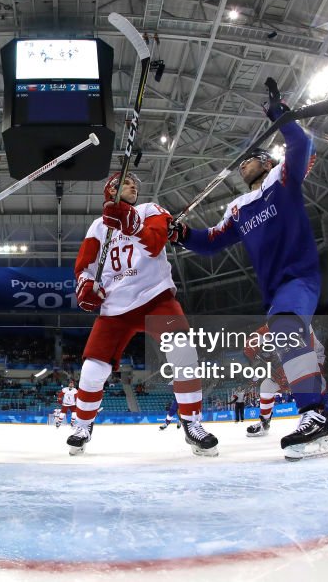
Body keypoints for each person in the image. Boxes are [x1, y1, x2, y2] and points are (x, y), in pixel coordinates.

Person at [170, 78, 328, 461]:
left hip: (300, 278)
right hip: (275, 290)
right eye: (244, 159)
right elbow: (210, 242)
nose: (244, 162)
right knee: (286, 331)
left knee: (283, 326)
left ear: (266, 161)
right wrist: (180, 233)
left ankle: (312, 414)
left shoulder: (284, 178)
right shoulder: (239, 207)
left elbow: (301, 145)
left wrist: (279, 114)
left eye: (251, 156)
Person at [68, 171, 218, 457]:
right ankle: (82, 426)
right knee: (92, 370)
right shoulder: (98, 227)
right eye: (125, 182)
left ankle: (192, 423)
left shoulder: (150, 210)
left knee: (184, 352)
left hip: (155, 297)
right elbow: (84, 267)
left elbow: (155, 241)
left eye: (135, 184)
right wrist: (86, 286)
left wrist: (130, 221)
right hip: (114, 308)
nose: (133, 185)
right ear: (110, 189)